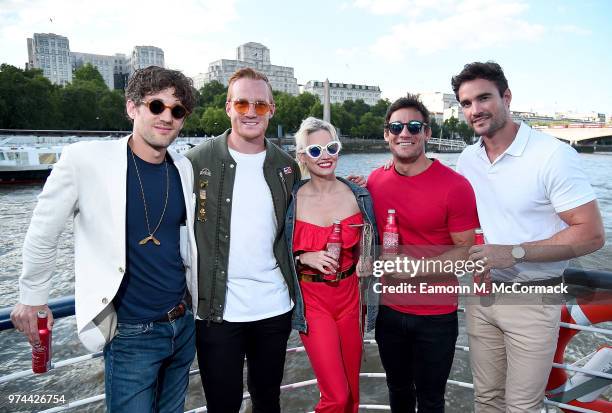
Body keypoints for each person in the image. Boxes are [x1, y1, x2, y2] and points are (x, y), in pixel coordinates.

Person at [10, 66, 199, 412]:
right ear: (132, 107)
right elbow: (43, 229)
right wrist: (33, 296)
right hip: (131, 335)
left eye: (177, 110)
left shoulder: (183, 167)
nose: (167, 117)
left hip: (182, 325)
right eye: (157, 106)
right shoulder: (86, 160)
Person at [452, 61, 605, 413]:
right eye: (466, 103)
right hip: (482, 295)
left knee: (522, 406)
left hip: (533, 301)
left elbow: (592, 234)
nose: (475, 110)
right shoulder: (468, 158)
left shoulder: (552, 155)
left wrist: (513, 253)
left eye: (484, 98)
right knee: (486, 400)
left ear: (506, 97)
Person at [186, 67, 301, 413]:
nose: (251, 112)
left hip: (274, 307)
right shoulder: (195, 162)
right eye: (242, 103)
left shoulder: (286, 166)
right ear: (228, 107)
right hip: (217, 312)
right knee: (223, 405)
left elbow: (309, 214)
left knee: (268, 401)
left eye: (260, 106)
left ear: (272, 109)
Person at [366, 95, 480, 413]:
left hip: (436, 316)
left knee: (431, 400)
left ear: (427, 133)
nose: (405, 133)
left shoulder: (456, 186)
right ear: (387, 134)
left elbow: (466, 250)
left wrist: (413, 269)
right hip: (388, 312)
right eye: (396, 127)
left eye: (414, 126)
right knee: (398, 391)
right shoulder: (375, 180)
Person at [285, 117, 378, 413]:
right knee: (335, 396)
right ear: (302, 156)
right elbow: (273, 251)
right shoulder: (291, 198)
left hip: (351, 298)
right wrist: (303, 257)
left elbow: (373, 240)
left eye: (331, 147)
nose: (325, 156)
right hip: (313, 301)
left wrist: (368, 259)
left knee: (351, 393)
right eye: (314, 151)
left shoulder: (358, 194)